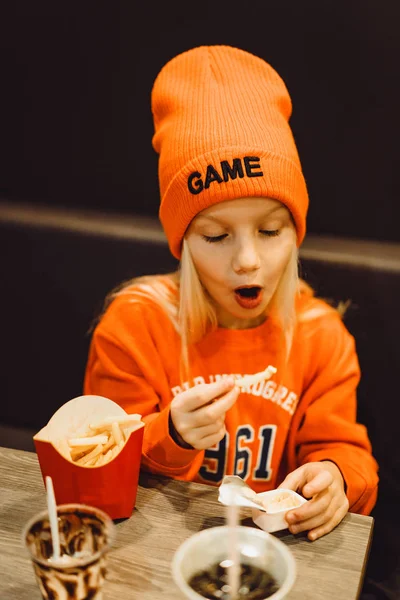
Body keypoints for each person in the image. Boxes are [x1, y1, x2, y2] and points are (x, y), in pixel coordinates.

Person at [84, 45, 378, 541]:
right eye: (217, 236)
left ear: (296, 233)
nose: (247, 259)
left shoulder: (320, 334)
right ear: (183, 243)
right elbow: (98, 464)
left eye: (270, 231)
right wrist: (170, 434)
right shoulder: (136, 325)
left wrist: (336, 478)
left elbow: (346, 452)